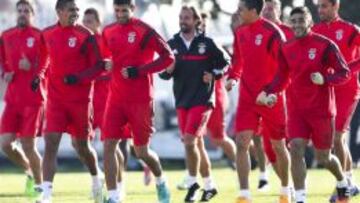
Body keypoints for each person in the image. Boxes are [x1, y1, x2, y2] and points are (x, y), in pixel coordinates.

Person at [260, 6, 351, 203]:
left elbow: (344, 72)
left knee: (323, 158)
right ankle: (301, 198)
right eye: (293, 21)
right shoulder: (286, 47)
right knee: (296, 148)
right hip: (296, 110)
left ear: (309, 22)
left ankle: (343, 182)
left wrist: (325, 78)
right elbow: (281, 77)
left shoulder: (324, 44)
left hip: (322, 111)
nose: (297, 25)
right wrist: (269, 92)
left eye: (301, 20)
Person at [101, 0, 174, 202]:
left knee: (141, 152)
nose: (120, 14)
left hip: (140, 100)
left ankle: (160, 181)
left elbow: (168, 57)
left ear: (132, 9)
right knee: (108, 146)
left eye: (124, 10)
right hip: (115, 99)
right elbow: (105, 58)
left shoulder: (144, 30)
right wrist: (106, 64)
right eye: (117, 10)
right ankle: (114, 196)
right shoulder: (108, 31)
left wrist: (139, 71)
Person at [41, 0, 109, 202]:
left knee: (82, 147)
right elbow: (43, 60)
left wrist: (78, 78)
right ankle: (46, 194)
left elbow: (98, 66)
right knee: (51, 142)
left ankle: (97, 177)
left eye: (77, 10)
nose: (75, 13)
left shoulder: (86, 35)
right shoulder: (46, 34)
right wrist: (38, 76)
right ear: (59, 11)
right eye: (71, 10)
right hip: (55, 100)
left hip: (80, 101)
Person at [159, 5, 229, 202]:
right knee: (195, 144)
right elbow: (163, 73)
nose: (183, 20)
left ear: (196, 21)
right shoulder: (171, 43)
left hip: (202, 100)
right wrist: (168, 70)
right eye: (181, 17)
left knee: (189, 141)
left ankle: (192, 184)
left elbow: (226, 63)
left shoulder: (207, 43)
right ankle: (209, 186)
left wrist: (214, 74)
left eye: (187, 17)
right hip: (182, 101)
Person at [226, 0, 291, 202]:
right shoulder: (240, 32)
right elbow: (238, 61)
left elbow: (285, 69)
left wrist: (273, 92)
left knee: (278, 146)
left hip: (271, 98)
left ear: (254, 11)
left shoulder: (273, 33)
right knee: (241, 142)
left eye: (241, 9)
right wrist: (233, 77)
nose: (238, 13)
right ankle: (244, 195)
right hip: (247, 98)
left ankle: (286, 190)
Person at [312, 0, 360, 201]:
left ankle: (343, 188)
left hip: (347, 91)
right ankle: (349, 183)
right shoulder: (314, 30)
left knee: (338, 136)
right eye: (319, 6)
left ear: (335, 6)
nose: (320, 10)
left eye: (324, 6)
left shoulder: (351, 30)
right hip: (325, 90)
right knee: (335, 140)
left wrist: (345, 71)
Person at [0, 0, 47, 201]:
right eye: (19, 10)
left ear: (33, 14)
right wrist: (4, 73)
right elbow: (1, 61)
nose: (22, 13)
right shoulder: (5, 36)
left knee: (29, 145)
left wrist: (33, 68)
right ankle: (29, 170)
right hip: (12, 100)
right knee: (5, 144)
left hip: (33, 99)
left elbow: (47, 64)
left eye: (26, 11)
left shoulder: (40, 36)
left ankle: (39, 188)